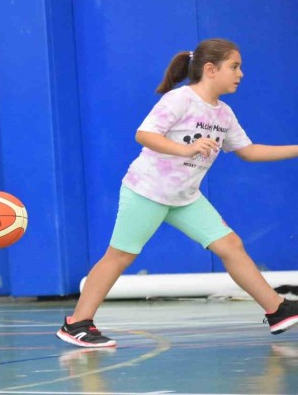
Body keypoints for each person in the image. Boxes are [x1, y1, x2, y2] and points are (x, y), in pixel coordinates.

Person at [56, 38, 298, 348]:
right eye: (234, 67)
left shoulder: (223, 114)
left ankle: (276, 309)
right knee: (119, 256)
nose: (241, 74)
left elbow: (249, 151)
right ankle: (77, 323)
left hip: (185, 197)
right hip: (148, 190)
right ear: (210, 69)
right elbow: (144, 134)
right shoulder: (179, 100)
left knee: (231, 245)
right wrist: (186, 147)